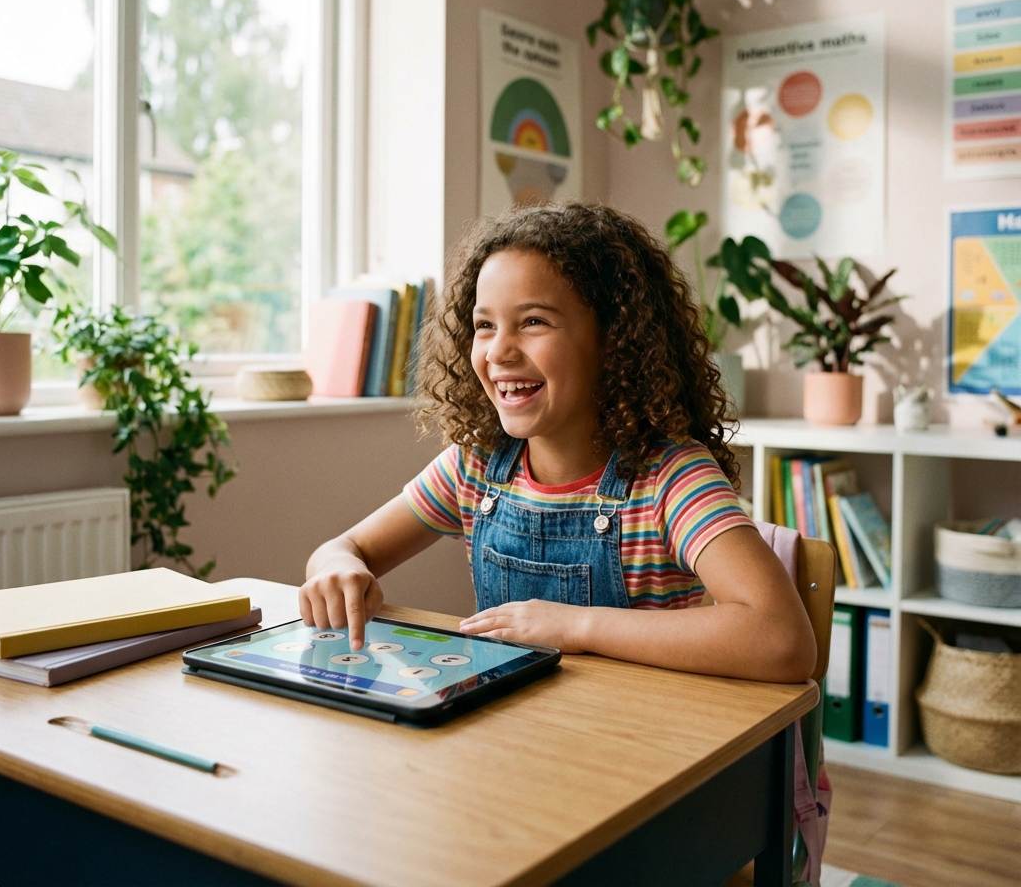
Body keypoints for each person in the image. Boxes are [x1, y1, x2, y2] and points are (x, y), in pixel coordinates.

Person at [300, 203, 815, 683]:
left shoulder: (669, 477)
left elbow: (782, 639)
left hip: (641, 750)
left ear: (615, 339)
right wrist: (338, 567)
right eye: (484, 325)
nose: (499, 350)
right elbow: (343, 548)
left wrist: (577, 627)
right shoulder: (474, 468)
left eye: (533, 322)